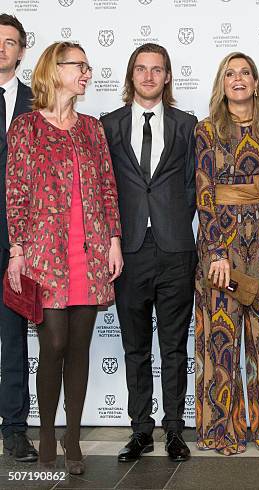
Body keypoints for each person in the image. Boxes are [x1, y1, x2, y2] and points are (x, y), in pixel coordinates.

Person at [6, 41, 122, 474]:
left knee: (78, 346)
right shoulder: (26, 127)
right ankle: (48, 431)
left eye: (89, 68)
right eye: (82, 66)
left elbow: (108, 188)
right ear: (57, 69)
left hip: (89, 251)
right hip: (44, 252)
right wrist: (17, 249)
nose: (88, 74)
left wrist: (113, 240)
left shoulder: (93, 128)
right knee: (52, 342)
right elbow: (15, 190)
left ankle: (72, 439)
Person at [101, 43, 197, 463]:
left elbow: (198, 185)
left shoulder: (188, 125)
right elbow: (103, 190)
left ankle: (174, 430)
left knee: (174, 347)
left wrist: (176, 218)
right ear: (130, 75)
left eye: (157, 70)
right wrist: (112, 239)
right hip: (128, 252)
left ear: (168, 77)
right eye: (140, 69)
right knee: (136, 348)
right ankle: (140, 430)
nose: (148, 76)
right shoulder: (108, 125)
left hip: (176, 250)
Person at [194, 52, 259, 456]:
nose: (238, 79)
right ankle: (222, 430)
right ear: (222, 83)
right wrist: (217, 249)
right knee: (220, 337)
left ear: (255, 82)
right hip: (223, 250)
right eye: (230, 74)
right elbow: (203, 191)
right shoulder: (206, 130)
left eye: (245, 73)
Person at [0, 13, 37, 463]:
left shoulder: (36, 103)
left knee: (13, 342)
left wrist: (21, 245)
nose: (1, 48)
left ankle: (14, 431)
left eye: (10, 42)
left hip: (19, 243)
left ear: (22, 50)